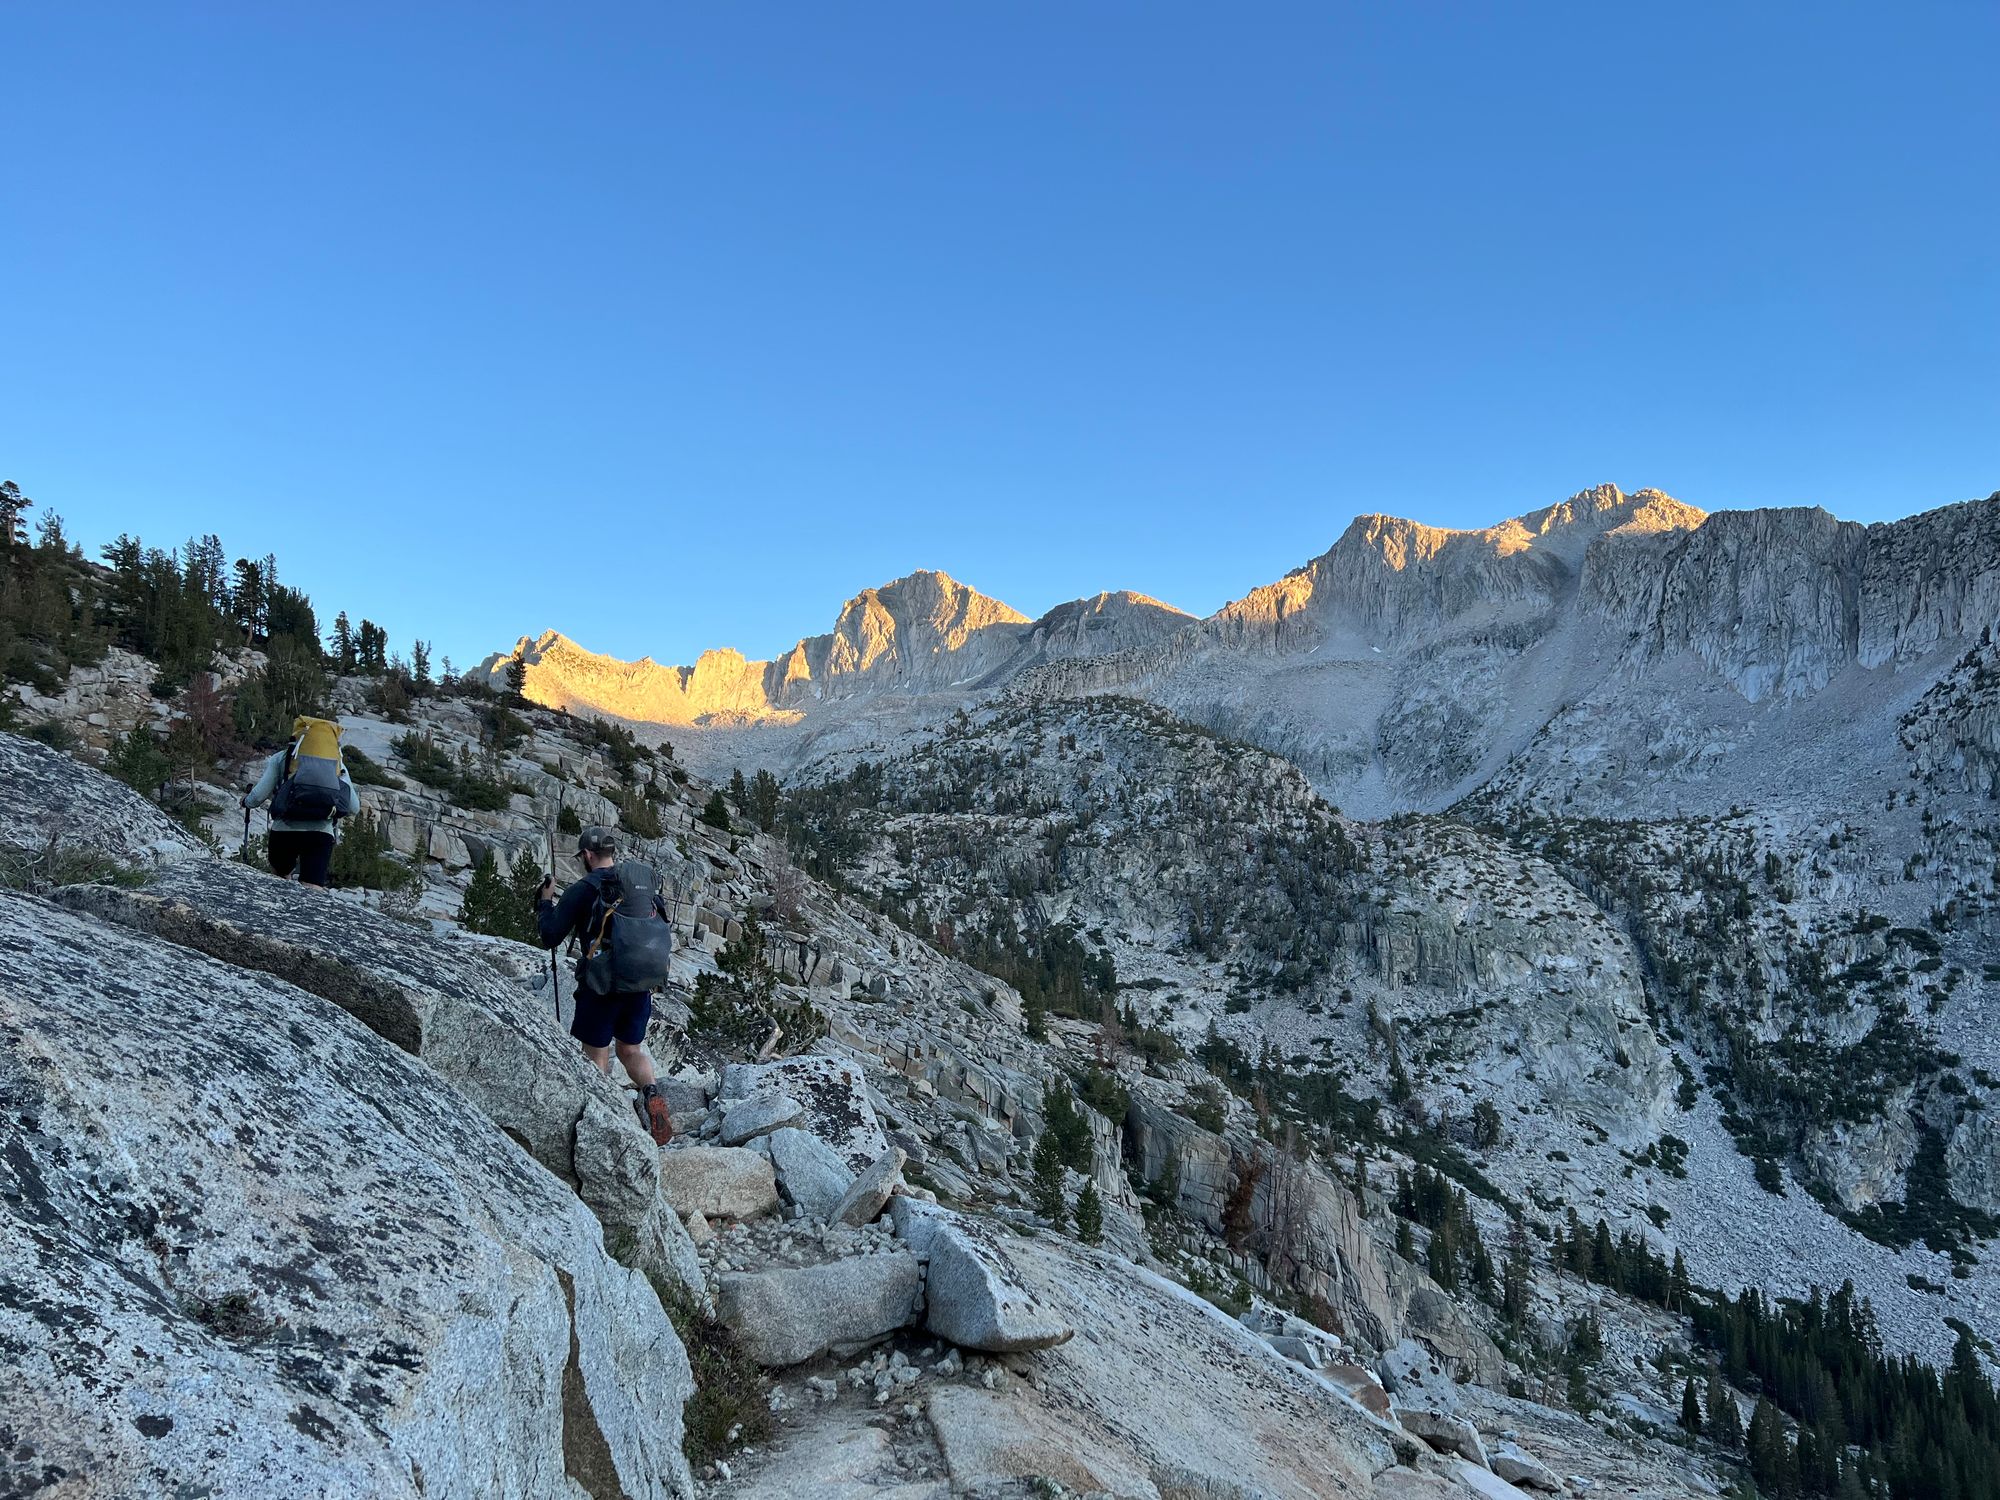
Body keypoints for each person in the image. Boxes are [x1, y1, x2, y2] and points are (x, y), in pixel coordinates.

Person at [538, 825, 675, 1144]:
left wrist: (545, 902)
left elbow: (550, 936)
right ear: (611, 853)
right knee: (630, 1049)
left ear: (587, 855)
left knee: (596, 1054)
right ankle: (652, 1096)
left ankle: (595, 1119)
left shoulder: (585, 888)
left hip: (600, 987)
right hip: (639, 984)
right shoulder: (638, 888)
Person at [242, 716, 362, 890]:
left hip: (284, 830)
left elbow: (258, 796)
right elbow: (354, 807)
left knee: (279, 881)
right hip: (321, 833)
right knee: (313, 888)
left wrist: (247, 801)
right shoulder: (338, 764)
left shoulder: (281, 758)